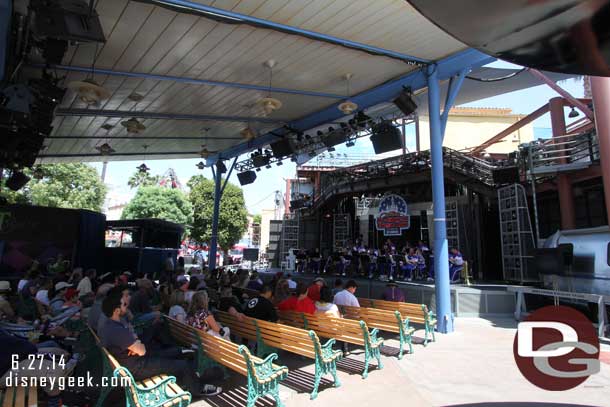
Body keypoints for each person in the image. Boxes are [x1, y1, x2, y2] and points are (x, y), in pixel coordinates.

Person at [99, 292, 222, 397]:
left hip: (132, 362)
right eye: (124, 304)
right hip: (137, 366)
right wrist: (135, 340)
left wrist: (134, 341)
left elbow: (136, 346)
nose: (127, 306)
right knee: (183, 365)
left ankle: (187, 368)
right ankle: (198, 388)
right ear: (116, 310)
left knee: (173, 354)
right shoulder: (118, 330)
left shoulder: (109, 325)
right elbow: (141, 350)